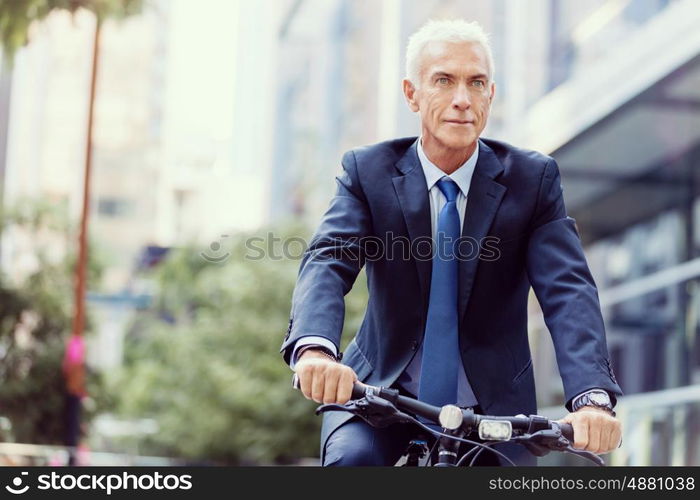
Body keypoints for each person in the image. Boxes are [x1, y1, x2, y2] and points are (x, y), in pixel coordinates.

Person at [280, 18, 623, 466]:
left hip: (496, 409)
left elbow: (568, 291)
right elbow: (329, 259)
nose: (462, 99)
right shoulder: (369, 171)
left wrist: (591, 397)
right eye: (443, 80)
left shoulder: (533, 180)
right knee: (352, 464)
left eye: (476, 83)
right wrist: (315, 349)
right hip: (381, 396)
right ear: (412, 93)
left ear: (490, 96)